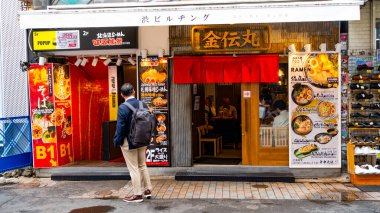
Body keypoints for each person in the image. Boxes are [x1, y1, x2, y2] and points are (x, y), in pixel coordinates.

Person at [113, 83, 152, 203]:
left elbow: (121, 127)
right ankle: (148, 190)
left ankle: (137, 195)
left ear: (121, 94)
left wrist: (117, 141)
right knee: (142, 165)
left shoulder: (123, 107)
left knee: (133, 168)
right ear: (134, 92)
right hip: (143, 139)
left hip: (129, 141)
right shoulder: (143, 104)